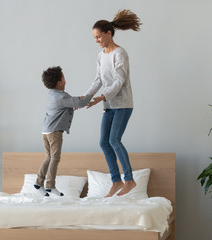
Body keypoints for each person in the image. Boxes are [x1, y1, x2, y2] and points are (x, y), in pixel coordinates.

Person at [85, 9, 142, 197]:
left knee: (114, 140)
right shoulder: (101, 56)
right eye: (95, 38)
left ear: (108, 33)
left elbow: (119, 80)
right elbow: (98, 80)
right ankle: (116, 180)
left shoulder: (120, 53)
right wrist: (85, 98)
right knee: (103, 142)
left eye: (99, 36)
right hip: (109, 105)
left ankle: (130, 180)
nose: (97, 41)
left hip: (123, 104)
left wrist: (103, 97)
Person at [34, 66, 93, 197]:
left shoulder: (52, 94)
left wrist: (74, 104)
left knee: (48, 156)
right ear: (59, 83)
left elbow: (70, 102)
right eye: (64, 78)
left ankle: (38, 182)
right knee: (55, 158)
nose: (66, 81)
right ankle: (50, 185)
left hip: (45, 131)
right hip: (55, 132)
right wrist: (91, 94)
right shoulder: (62, 97)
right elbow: (81, 103)